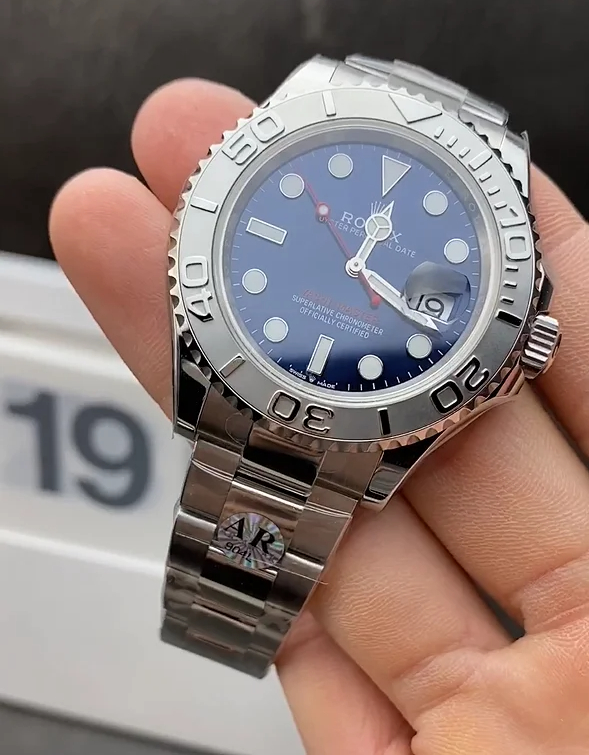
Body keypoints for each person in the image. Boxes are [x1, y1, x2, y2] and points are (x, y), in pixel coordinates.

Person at [49, 77, 589, 754]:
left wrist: (371, 274)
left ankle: (221, 622)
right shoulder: (312, 113)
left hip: (347, 426)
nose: (356, 265)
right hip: (252, 377)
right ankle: (216, 619)